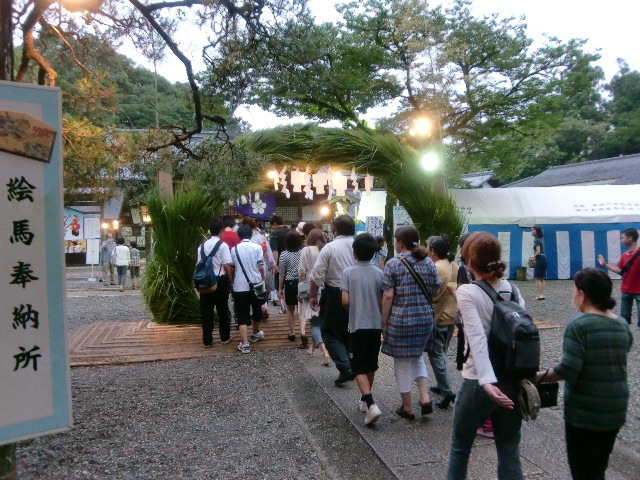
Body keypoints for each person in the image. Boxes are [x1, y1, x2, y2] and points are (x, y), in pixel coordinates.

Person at [534, 268, 633, 480]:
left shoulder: (579, 325)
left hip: (586, 410)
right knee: (598, 465)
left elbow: (569, 369)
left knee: (584, 471)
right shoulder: (621, 323)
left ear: (582, 293)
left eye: (573, 291)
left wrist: (537, 376)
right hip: (616, 407)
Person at [447, 232, 525, 480]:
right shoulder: (513, 290)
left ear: (469, 262)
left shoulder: (467, 292)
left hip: (478, 380)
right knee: (509, 450)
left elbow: (477, 337)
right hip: (511, 380)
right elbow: (522, 335)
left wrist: (487, 381)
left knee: (460, 448)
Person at [381, 226, 440, 419]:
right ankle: (424, 398)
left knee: (401, 362)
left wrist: (384, 322)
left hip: (401, 319)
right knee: (417, 358)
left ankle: (407, 407)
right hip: (424, 318)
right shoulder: (429, 263)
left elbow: (388, 295)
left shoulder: (393, 264)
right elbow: (435, 290)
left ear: (400, 242)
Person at [341, 233, 385, 426]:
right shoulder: (380, 273)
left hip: (357, 325)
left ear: (354, 252)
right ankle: (364, 400)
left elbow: (345, 301)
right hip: (376, 325)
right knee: (370, 363)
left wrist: (351, 308)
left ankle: (370, 403)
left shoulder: (348, 273)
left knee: (357, 366)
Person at [309, 215, 356, 386]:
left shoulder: (330, 247)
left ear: (336, 230)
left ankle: (345, 367)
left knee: (329, 332)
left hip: (335, 293)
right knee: (350, 331)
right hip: (357, 293)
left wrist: (313, 295)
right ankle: (348, 367)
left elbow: (317, 274)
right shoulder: (359, 244)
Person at [426, 235, 459, 409]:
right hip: (452, 313)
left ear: (433, 251)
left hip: (438, 315)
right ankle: (441, 385)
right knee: (443, 352)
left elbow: (432, 292)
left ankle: (447, 390)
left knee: (436, 354)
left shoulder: (434, 267)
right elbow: (452, 288)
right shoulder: (454, 266)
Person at [230, 225, 266, 354]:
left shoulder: (234, 249)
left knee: (242, 314)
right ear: (251, 235)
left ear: (239, 236)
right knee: (257, 309)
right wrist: (263, 278)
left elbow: (233, 267)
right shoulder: (257, 248)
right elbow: (261, 266)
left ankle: (245, 344)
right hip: (256, 283)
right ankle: (255, 333)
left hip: (240, 285)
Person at [197, 220, 233, 348]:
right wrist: (231, 281)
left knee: (206, 311)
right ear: (221, 231)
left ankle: (207, 340)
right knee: (222, 308)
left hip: (205, 281)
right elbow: (227, 266)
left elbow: (198, 266)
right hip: (220, 280)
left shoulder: (201, 247)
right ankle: (224, 337)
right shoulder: (222, 246)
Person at [299, 228, 330, 365]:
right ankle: (312, 348)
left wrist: (300, 290)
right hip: (325, 288)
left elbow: (302, 271)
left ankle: (324, 352)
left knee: (314, 323)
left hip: (311, 288)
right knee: (318, 319)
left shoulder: (306, 250)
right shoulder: (326, 250)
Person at [598, 228, 640, 326]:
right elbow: (620, 270)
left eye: (622, 238)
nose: (621, 240)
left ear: (630, 238)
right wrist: (605, 264)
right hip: (626, 291)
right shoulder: (624, 255)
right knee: (624, 319)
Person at [242, 217, 276, 320]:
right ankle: (264, 306)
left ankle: (253, 311)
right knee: (261, 288)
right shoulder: (262, 237)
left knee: (249, 289)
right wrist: (273, 264)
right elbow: (268, 252)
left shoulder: (246, 239)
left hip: (249, 266)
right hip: (262, 264)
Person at [279, 230, 305, 344]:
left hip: (289, 283)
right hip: (301, 282)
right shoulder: (302, 253)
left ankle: (292, 333)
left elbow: (281, 274)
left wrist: (280, 288)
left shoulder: (283, 254)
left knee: (290, 310)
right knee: (301, 309)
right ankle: (303, 332)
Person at [269, 215, 289, 307]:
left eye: (272, 226)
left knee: (279, 285)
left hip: (280, 261)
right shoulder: (291, 231)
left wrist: (274, 264)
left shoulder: (274, 234)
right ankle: (291, 305)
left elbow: (275, 251)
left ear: (275, 224)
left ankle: (283, 305)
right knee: (290, 282)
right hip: (292, 260)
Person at [531, 225, 547, 300]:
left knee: (537, 278)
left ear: (537, 231)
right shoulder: (541, 239)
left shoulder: (537, 240)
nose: (532, 231)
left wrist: (532, 257)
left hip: (540, 258)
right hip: (544, 257)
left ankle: (539, 295)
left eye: (533, 230)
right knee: (542, 278)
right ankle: (542, 294)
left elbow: (538, 252)